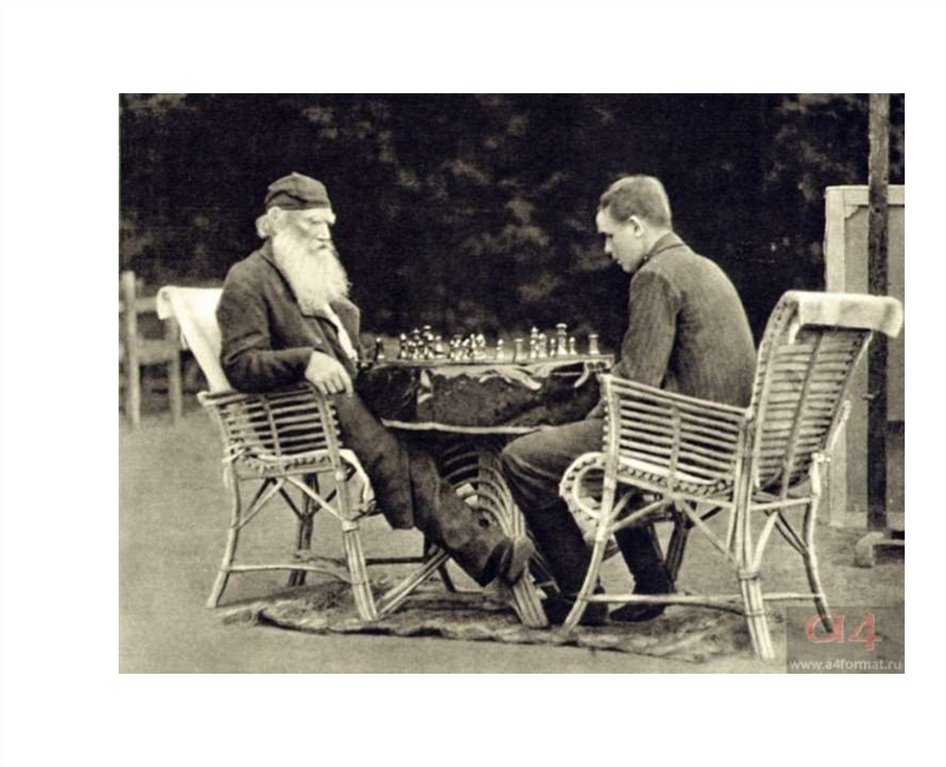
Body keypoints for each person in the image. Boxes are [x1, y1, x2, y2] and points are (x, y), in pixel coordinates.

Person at [216, 172, 536, 604]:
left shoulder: (305, 274)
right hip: (298, 420)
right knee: (394, 447)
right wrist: (305, 360)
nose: (324, 234)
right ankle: (491, 553)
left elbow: (349, 354)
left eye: (327, 224)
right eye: (312, 224)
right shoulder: (248, 279)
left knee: (442, 427)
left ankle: (533, 558)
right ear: (276, 221)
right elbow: (239, 364)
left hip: (347, 410)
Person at [500, 175, 757, 625]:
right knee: (599, 439)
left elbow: (637, 384)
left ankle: (578, 595)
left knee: (522, 458)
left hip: (688, 445)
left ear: (637, 227)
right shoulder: (704, 267)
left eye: (609, 235)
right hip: (728, 441)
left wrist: (591, 415)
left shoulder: (655, 276)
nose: (606, 249)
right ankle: (652, 580)